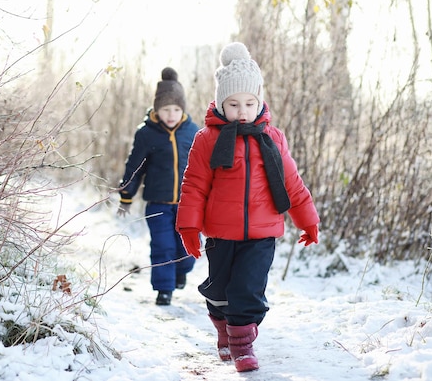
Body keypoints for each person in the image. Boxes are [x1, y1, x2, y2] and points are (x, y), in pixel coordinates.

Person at [175, 42, 320, 372]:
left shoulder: (273, 138)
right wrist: (188, 227)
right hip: (221, 233)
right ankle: (224, 330)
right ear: (221, 103)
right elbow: (194, 186)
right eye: (234, 103)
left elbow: (291, 183)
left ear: (260, 101)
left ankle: (242, 345)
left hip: (262, 231)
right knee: (219, 289)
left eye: (250, 103)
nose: (242, 110)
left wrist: (307, 220)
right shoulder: (207, 139)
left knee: (248, 289)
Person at [117, 67, 199, 306]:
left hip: (188, 204)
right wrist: (126, 196)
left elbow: (205, 168)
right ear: (156, 109)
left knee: (187, 248)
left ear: (182, 109)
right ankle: (164, 289)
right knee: (162, 246)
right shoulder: (146, 134)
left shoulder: (193, 132)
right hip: (158, 203)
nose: (171, 114)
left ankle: (181, 271)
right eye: (165, 109)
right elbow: (135, 166)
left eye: (176, 109)